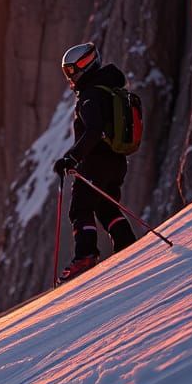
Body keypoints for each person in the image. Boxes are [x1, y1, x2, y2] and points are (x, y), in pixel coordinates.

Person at [52, 42, 136, 281]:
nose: (69, 76)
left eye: (71, 70)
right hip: (116, 162)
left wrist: (72, 158)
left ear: (84, 65)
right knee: (106, 207)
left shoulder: (90, 95)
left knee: (80, 208)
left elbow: (94, 131)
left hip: (95, 163)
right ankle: (127, 244)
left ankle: (86, 256)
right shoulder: (108, 89)